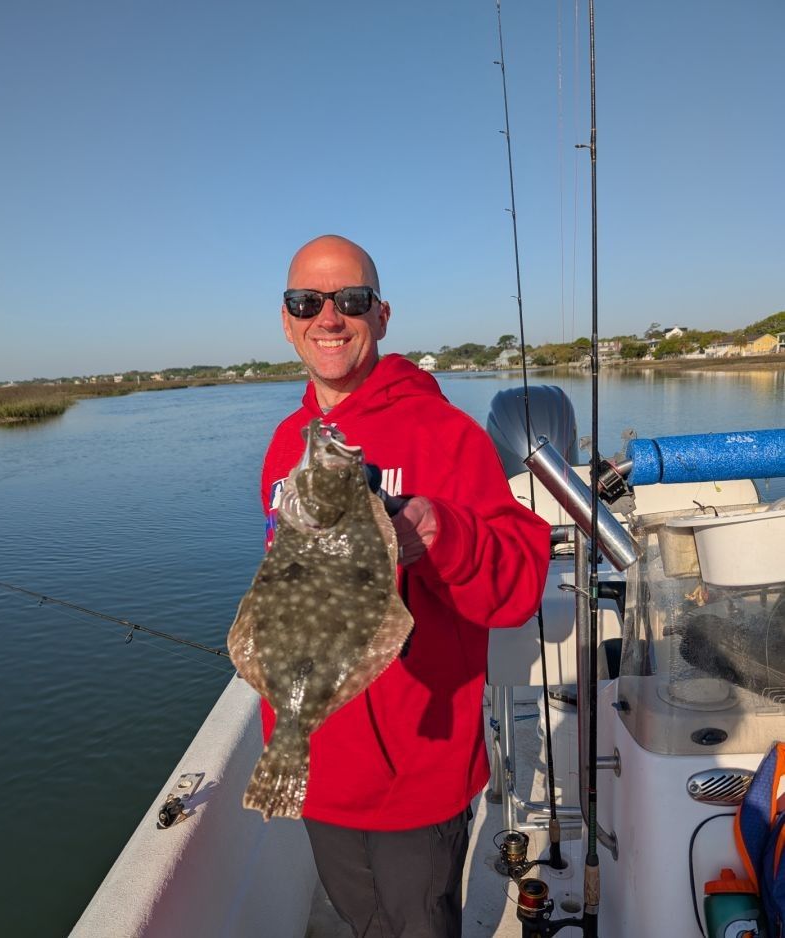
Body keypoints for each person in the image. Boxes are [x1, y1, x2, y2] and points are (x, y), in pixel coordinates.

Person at [258, 234, 550, 937]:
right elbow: (280, 590)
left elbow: (518, 586)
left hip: (413, 776)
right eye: (307, 301)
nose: (328, 317)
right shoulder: (282, 443)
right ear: (287, 318)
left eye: (349, 300)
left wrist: (442, 533)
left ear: (381, 315)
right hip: (315, 762)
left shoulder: (445, 434)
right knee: (363, 925)